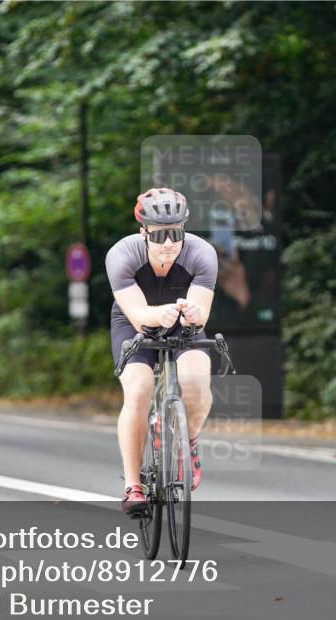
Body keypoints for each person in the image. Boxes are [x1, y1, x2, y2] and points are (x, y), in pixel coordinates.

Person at [105, 187, 218, 515]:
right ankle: (133, 485)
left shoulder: (201, 253)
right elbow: (139, 318)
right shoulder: (122, 255)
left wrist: (194, 315)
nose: (168, 243)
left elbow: (201, 313)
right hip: (134, 320)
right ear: (143, 233)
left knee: (196, 382)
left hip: (182, 319)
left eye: (175, 233)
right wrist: (160, 314)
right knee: (138, 391)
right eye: (158, 236)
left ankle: (188, 442)